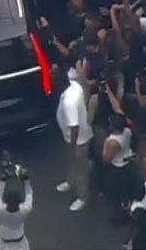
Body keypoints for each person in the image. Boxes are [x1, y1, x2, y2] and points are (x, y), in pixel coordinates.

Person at [55, 55, 92, 212]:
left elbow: (74, 127)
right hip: (71, 138)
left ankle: (82, 197)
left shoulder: (69, 101)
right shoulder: (74, 86)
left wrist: (72, 147)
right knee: (73, 164)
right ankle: (70, 181)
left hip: (77, 141)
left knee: (80, 168)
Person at [0, 157, 33, 250]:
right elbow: (29, 194)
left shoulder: (0, 209)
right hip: (20, 244)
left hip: (3, 245)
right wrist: (26, 180)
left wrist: (3, 180)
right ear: (20, 202)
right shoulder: (25, 209)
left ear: (6, 201)